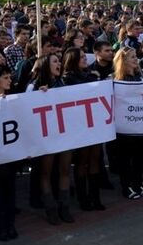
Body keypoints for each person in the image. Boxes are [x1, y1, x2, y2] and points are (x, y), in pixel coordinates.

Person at [32, 54, 75, 225]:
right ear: (45, 65)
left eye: (59, 61)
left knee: (65, 170)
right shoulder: (34, 85)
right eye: (55, 62)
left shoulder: (63, 82)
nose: (59, 64)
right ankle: (50, 208)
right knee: (46, 173)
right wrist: (38, 94)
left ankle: (64, 206)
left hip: (64, 134)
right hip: (46, 137)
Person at [61, 48, 105, 212]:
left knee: (95, 158)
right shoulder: (67, 79)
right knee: (81, 160)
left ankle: (95, 197)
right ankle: (83, 198)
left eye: (85, 57)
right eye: (81, 58)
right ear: (73, 60)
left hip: (95, 123)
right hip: (79, 125)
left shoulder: (92, 75)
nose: (85, 59)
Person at [112, 47, 143, 198]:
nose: (136, 59)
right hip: (124, 126)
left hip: (139, 123)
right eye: (132, 57)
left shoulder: (141, 75)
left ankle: (138, 183)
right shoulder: (117, 80)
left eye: (136, 56)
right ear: (123, 61)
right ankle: (126, 186)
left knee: (138, 155)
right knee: (125, 157)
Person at [0, 65, 19, 241]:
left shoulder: (12, 99)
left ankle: (10, 225)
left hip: (9, 156)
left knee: (9, 191)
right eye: (5, 77)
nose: (9, 80)